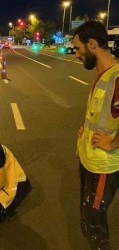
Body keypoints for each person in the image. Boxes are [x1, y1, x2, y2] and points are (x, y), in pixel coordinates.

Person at [73, 21, 119, 250]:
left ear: (92, 44)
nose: (77, 55)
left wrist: (113, 142)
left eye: (78, 49)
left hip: (103, 165)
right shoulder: (103, 74)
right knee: (88, 219)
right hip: (89, 159)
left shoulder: (117, 77)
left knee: (94, 221)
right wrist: (86, 129)